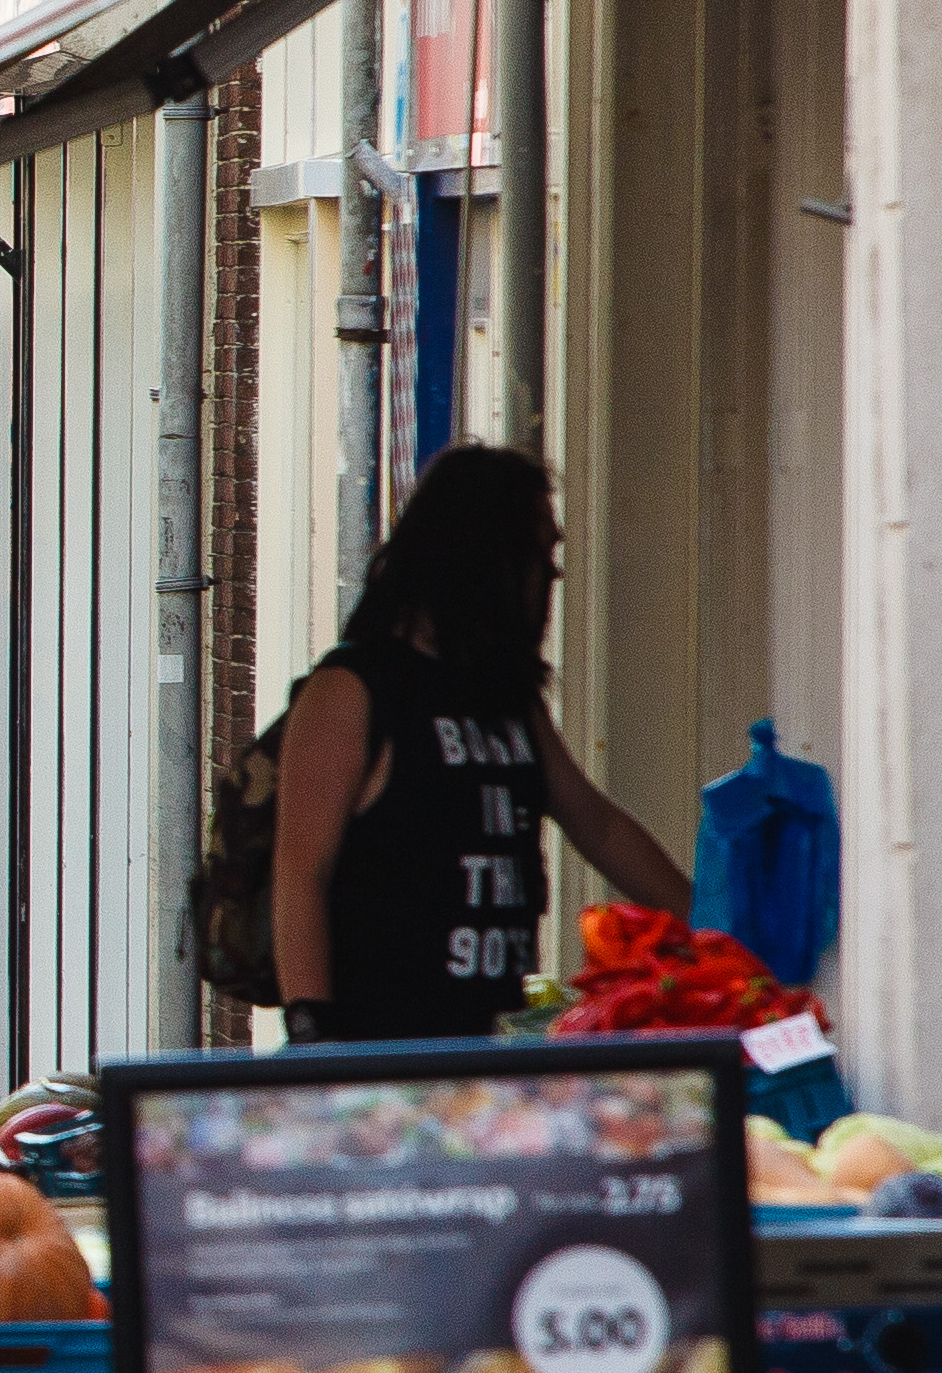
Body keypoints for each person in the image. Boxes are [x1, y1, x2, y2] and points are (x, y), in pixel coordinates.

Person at [270, 442, 689, 1039]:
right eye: (539, 551)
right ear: (483, 556)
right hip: (379, 1041)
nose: (553, 572)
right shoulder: (353, 689)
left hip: (486, 1037)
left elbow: (597, 824)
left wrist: (713, 925)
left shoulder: (505, 696)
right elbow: (300, 870)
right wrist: (312, 1029)